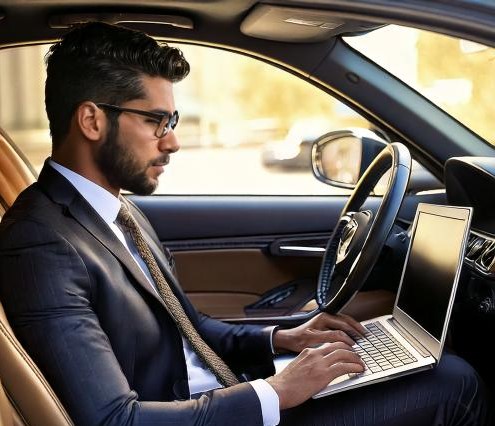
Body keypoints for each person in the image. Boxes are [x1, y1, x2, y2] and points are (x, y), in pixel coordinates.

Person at [0, 22, 491, 426]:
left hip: (222, 398)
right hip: (210, 415)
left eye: (171, 123)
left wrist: (282, 339)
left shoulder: (115, 212)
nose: (170, 143)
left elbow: (188, 329)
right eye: (156, 122)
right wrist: (278, 391)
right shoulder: (41, 242)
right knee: (455, 383)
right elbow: (112, 421)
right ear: (91, 121)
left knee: (431, 369)